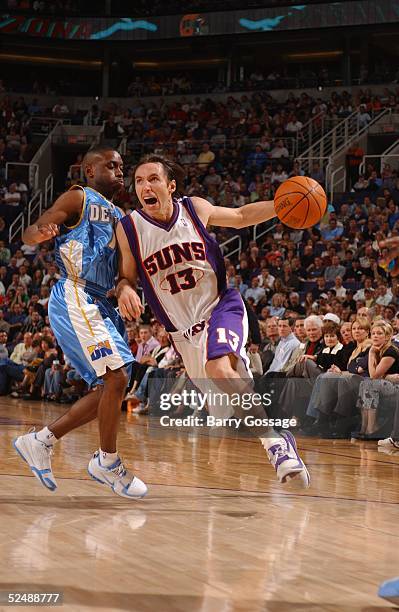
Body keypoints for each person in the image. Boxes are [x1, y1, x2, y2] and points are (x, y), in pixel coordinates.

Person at [116, 154, 310, 487]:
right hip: (183, 334)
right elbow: (126, 277)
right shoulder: (130, 227)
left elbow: (240, 215)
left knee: (219, 370)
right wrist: (124, 290)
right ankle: (274, 437)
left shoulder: (194, 209)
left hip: (221, 307)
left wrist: (282, 205)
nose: (145, 186)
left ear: (170, 186)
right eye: (138, 181)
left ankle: (276, 444)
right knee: (229, 410)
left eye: (153, 179)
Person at [13, 145, 147, 500]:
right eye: (112, 166)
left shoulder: (122, 216)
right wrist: (40, 232)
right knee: (115, 377)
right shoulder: (79, 197)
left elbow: (125, 272)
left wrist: (126, 288)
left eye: (122, 167)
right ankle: (107, 461)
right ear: (90, 170)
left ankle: (40, 441)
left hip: (104, 303)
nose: (120, 172)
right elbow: (31, 231)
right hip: (77, 293)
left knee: (115, 386)